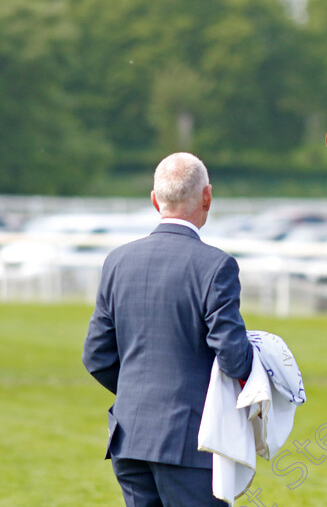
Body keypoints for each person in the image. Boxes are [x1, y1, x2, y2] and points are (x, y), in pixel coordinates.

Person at [82, 152, 253, 507]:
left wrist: (136, 393)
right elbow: (235, 359)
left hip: (130, 438)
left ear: (155, 199)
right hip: (190, 442)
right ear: (207, 196)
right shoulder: (216, 266)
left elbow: (96, 355)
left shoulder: (117, 261)